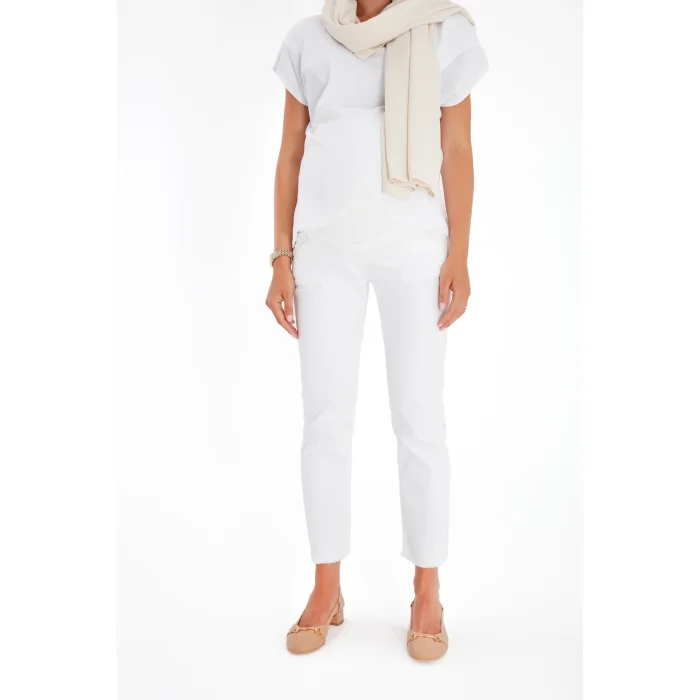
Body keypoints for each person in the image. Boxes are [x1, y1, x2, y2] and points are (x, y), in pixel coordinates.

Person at [266, 0, 488, 660]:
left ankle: (427, 590)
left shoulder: (444, 33)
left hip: (415, 252)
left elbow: (456, 147)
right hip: (325, 252)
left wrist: (459, 254)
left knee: (420, 421)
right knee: (324, 420)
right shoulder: (308, 39)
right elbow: (291, 153)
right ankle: (326, 586)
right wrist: (280, 258)